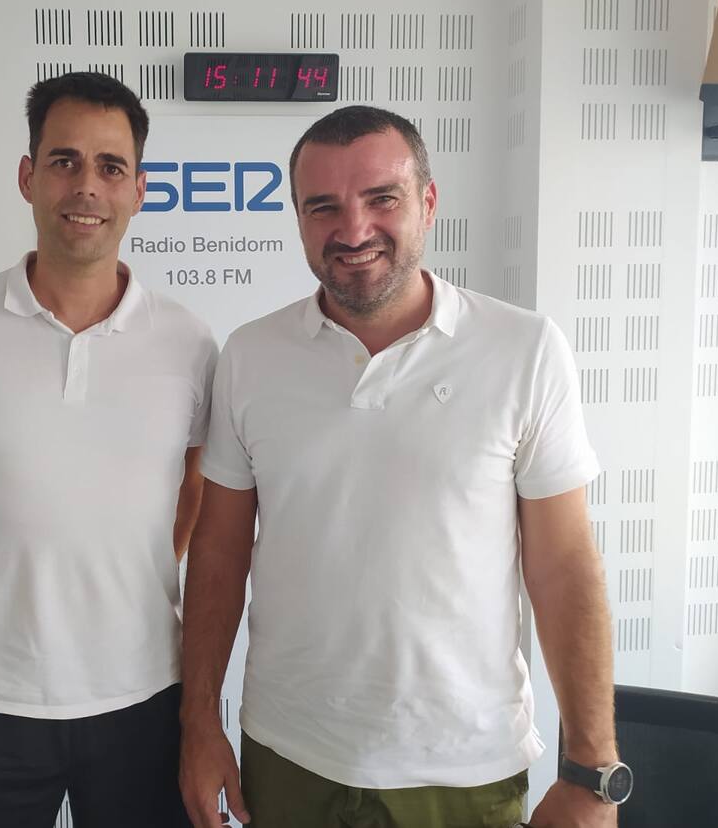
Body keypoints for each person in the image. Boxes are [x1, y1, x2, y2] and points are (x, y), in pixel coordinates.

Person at [179, 106, 625, 828]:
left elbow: (564, 565)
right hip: (289, 755)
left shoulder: (524, 350)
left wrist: (593, 770)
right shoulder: (250, 356)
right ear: (298, 219)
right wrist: (199, 725)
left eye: (381, 198)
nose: (353, 230)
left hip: (464, 768)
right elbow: (219, 552)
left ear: (428, 201)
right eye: (323, 207)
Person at [0, 72, 215, 828]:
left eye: (111, 166)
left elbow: (194, 490)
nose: (86, 186)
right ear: (27, 177)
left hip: (140, 695)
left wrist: (127, 583)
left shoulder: (189, 343)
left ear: (139, 189)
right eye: (64, 161)